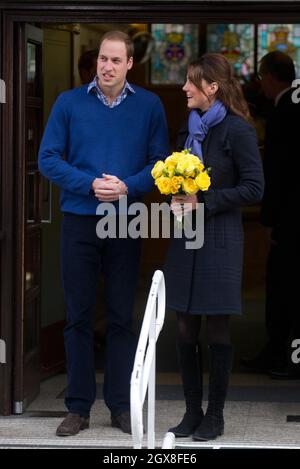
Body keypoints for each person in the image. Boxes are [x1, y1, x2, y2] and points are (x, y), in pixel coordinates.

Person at [38, 30, 169, 436]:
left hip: (127, 219)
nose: (107, 67)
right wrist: (90, 185)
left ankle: (120, 405)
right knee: (77, 316)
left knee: (119, 316)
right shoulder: (69, 103)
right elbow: (47, 158)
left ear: (130, 64)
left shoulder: (149, 106)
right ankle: (78, 407)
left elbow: (162, 162)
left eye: (116, 60)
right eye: (102, 60)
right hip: (80, 218)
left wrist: (128, 185)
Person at [164, 53, 264, 441]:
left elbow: (255, 188)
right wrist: (174, 191)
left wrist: (204, 202)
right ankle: (192, 413)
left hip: (221, 239)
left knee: (217, 329)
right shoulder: (187, 129)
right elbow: (176, 176)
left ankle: (216, 416)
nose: (185, 88)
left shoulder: (237, 131)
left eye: (192, 82)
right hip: (185, 238)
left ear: (212, 87)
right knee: (185, 327)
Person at [241, 51, 300, 379]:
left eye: (261, 77)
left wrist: (269, 220)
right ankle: (282, 353)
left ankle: (283, 354)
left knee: (283, 289)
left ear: (270, 77)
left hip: (290, 220)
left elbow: (277, 172)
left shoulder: (285, 110)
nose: (260, 83)